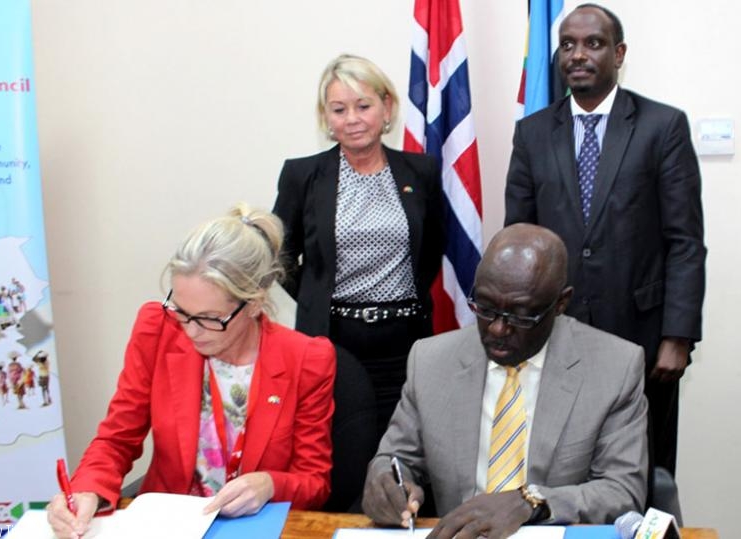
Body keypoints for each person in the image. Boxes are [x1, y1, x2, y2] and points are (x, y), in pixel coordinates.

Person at [47, 205, 336, 539]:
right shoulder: (157, 329)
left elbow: (315, 481)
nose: (191, 330)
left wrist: (270, 484)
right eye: (182, 311)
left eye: (210, 318)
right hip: (168, 526)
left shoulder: (306, 358)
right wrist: (87, 491)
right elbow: (117, 439)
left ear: (254, 303)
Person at [504, 3, 705, 476]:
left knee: (646, 469)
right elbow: (518, 238)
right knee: (562, 467)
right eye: (568, 45)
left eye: (592, 43)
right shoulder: (532, 134)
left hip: (643, 335)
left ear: (618, 53)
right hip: (555, 335)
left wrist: (677, 336)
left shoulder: (662, 126)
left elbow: (685, 242)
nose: (578, 54)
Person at [362, 224, 647, 538]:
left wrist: (531, 502)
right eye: (485, 308)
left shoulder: (614, 367)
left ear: (561, 304)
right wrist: (385, 479)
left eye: (521, 315)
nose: (497, 329)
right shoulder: (431, 361)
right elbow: (396, 459)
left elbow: (622, 491)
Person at [272, 54, 444, 440]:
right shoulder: (303, 175)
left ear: (388, 107)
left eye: (363, 105)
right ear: (326, 119)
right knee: (341, 448)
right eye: (339, 109)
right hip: (334, 339)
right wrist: (315, 296)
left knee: (403, 444)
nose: (352, 118)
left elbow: (432, 247)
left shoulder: (422, 171)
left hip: (405, 339)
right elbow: (279, 254)